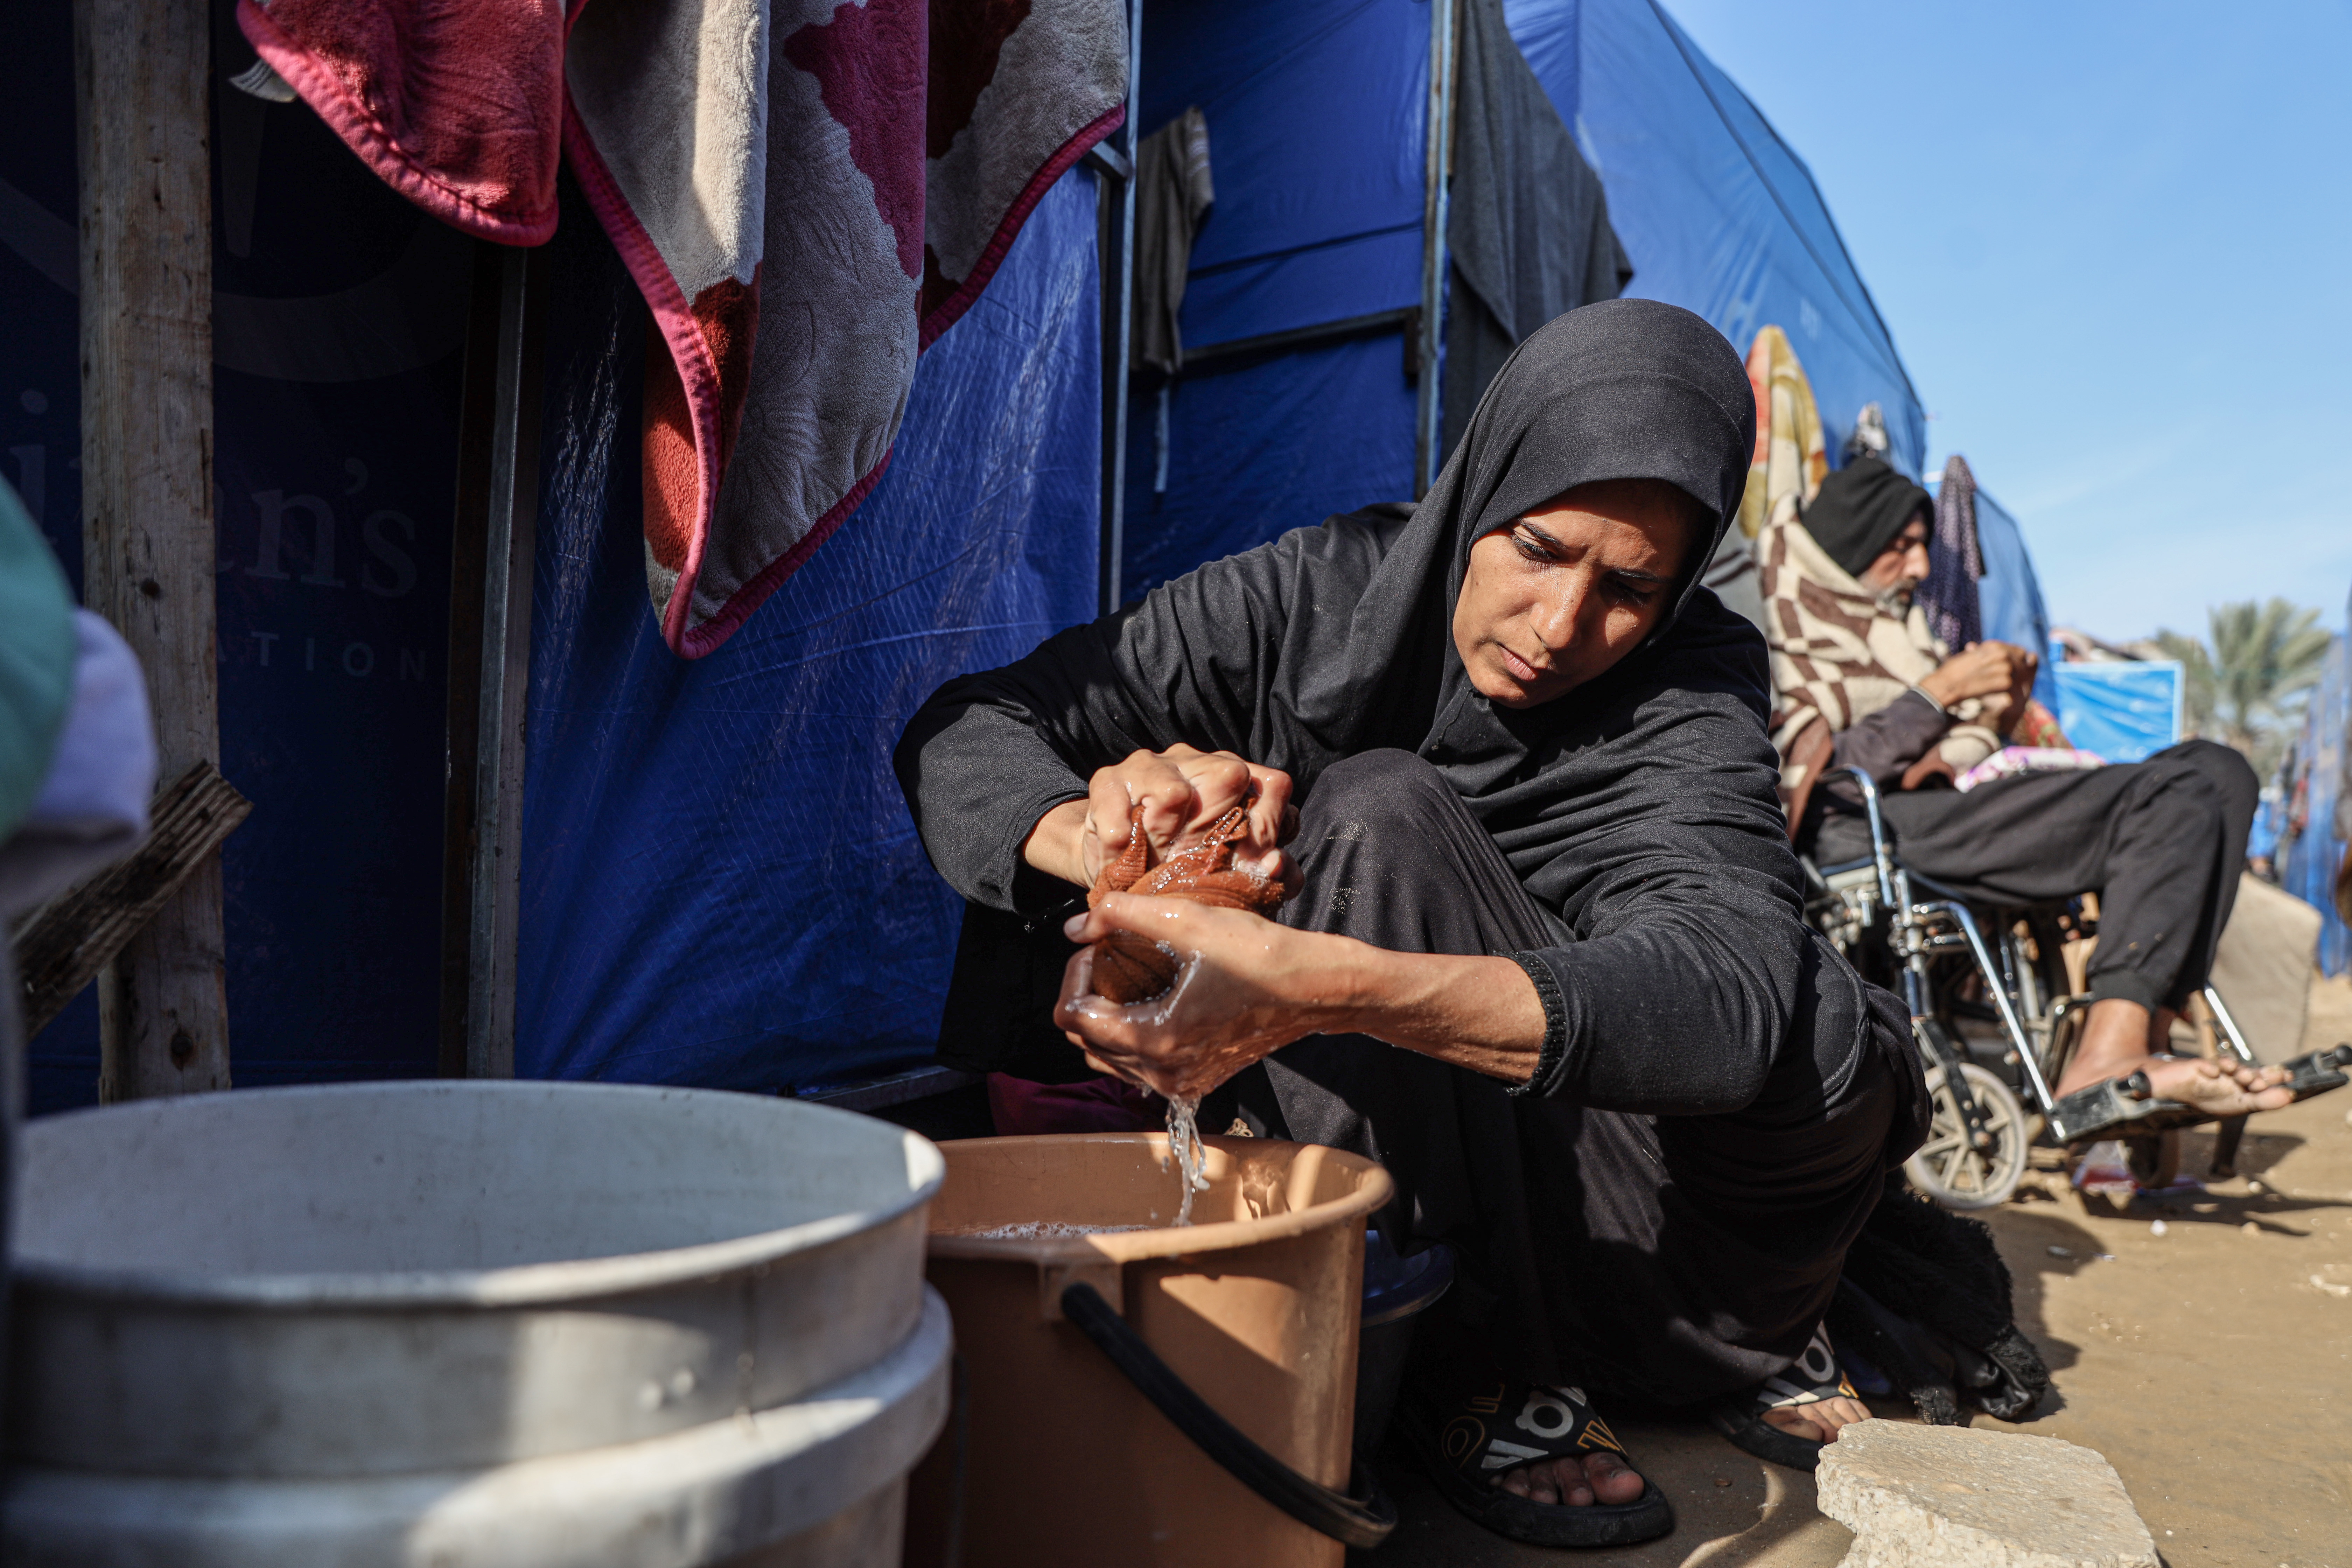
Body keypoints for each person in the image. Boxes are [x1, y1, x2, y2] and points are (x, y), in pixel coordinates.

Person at [895, 301, 1927, 1550]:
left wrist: (1321, 984)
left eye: (1630, 588)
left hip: (1611, 1178)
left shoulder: (1691, 685)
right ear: (1483, 486)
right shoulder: (1321, 597)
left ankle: (1742, 1334)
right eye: (1538, 548)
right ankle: (1468, 1360)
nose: (1561, 627)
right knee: (1382, 806)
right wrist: (1102, 839)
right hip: (1399, 1164)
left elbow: (1723, 994)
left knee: (1823, 1030)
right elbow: (970, 726)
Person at [1756, 457, 2293, 1126]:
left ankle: (2149, 1037)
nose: (1922, 568)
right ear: (1852, 546)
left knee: (2222, 771)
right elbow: (1813, 775)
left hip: (1946, 807)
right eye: (1903, 548)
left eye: (1923, 546)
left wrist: (1993, 710)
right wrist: (1941, 694)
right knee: (2174, 791)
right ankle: (2105, 1056)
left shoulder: (1900, 630)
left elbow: (1944, 751)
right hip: (1872, 824)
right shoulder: (1783, 630)